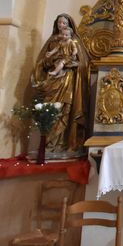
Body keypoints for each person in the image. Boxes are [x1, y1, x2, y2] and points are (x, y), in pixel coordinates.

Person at [32, 13, 89, 152]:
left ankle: (63, 142)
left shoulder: (74, 41)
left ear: (69, 26)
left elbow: (82, 63)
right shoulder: (52, 41)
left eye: (64, 23)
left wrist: (67, 62)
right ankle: (48, 144)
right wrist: (51, 59)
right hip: (52, 80)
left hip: (67, 79)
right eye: (59, 23)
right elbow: (43, 62)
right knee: (50, 109)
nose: (61, 25)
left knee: (65, 109)